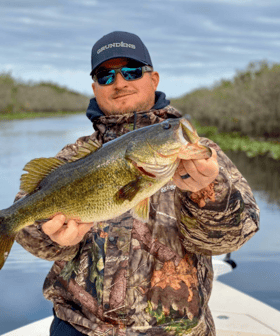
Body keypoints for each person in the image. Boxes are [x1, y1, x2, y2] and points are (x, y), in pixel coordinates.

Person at [15, 31, 260, 336]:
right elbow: (25, 225)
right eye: (106, 76)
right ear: (95, 88)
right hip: (80, 327)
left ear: (153, 79)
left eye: (131, 71)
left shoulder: (201, 156)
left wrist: (208, 192)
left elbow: (233, 238)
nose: (120, 83)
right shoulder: (72, 157)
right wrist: (51, 236)